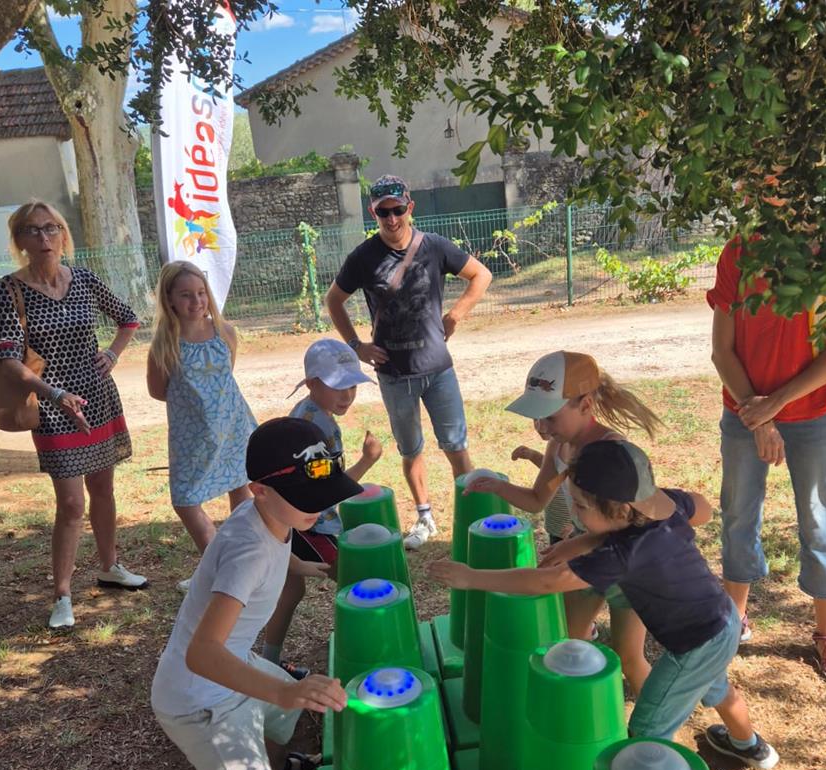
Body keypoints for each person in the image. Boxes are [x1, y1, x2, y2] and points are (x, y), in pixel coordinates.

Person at [151, 417, 357, 770]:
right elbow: (203, 653)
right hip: (202, 701)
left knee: (288, 713)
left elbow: (271, 539)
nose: (318, 508)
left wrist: (299, 566)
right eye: (307, 500)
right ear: (262, 489)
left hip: (229, 673)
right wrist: (285, 689)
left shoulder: (265, 515)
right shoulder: (246, 549)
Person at [431, 439, 779, 770]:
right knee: (714, 686)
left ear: (622, 509)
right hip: (722, 621)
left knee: (647, 727)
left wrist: (471, 577)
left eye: (581, 506)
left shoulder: (623, 555)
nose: (574, 512)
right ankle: (748, 745)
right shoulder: (661, 511)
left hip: (697, 643)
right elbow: (700, 508)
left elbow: (547, 582)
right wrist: (582, 541)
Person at [708, 237, 826, 686]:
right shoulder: (738, 252)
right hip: (745, 413)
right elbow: (721, 350)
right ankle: (735, 621)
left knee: (821, 520)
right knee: (738, 516)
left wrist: (776, 405)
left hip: (818, 413)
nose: (766, 182)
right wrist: (758, 417)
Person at [0, 200, 147, 629]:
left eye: (51, 228)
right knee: (72, 503)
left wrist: (113, 352)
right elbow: (8, 360)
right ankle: (62, 594)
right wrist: (54, 393)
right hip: (53, 404)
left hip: (97, 396)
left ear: (63, 234)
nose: (44, 238)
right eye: (33, 231)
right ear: (19, 240)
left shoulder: (84, 279)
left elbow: (129, 318)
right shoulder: (8, 289)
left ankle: (110, 566)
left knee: (103, 486)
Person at [465, 350, 662, 692]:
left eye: (549, 418)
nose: (541, 428)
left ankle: (660, 736)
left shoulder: (615, 454)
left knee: (630, 659)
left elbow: (642, 525)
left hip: (628, 568)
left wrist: (581, 543)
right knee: (565, 643)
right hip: (588, 563)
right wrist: (498, 486)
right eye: (536, 418)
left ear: (585, 405)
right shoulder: (559, 448)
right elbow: (537, 499)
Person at [324, 174, 492, 550]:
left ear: (409, 207)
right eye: (384, 212)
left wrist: (456, 315)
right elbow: (334, 300)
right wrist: (357, 346)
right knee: (410, 448)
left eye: (398, 209)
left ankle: (474, 520)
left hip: (438, 368)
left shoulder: (433, 246)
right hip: (394, 374)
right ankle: (425, 517)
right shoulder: (364, 257)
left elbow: (481, 275)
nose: (392, 218)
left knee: (455, 445)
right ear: (374, 213)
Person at [261, 339, 382, 664]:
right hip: (309, 523)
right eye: (338, 386)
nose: (347, 395)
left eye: (352, 386)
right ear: (312, 383)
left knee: (291, 591)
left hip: (285, 516)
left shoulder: (306, 411)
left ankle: (268, 661)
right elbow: (332, 488)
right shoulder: (323, 428)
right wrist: (368, 460)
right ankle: (369, 650)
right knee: (352, 578)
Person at [146, 261, 257, 589]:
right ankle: (219, 567)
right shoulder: (165, 344)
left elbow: (227, 373)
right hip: (192, 436)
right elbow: (157, 389)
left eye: (201, 293)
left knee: (241, 486)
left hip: (233, 426)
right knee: (185, 498)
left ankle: (241, 562)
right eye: (186, 295)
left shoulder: (225, 332)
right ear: (170, 300)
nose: (196, 302)